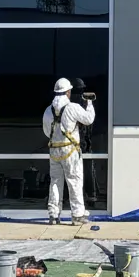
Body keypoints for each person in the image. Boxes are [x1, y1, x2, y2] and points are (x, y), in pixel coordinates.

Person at [42, 77, 95, 225]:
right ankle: (77, 215)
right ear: (68, 92)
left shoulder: (48, 110)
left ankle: (53, 215)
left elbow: (47, 131)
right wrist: (89, 103)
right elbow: (89, 119)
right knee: (74, 181)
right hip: (70, 150)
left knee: (55, 182)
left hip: (54, 150)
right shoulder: (72, 107)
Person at [70, 77, 100, 199]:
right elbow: (89, 120)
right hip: (83, 142)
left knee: (72, 172)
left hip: (76, 142)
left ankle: (75, 196)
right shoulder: (83, 102)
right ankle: (91, 194)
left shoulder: (69, 103)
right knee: (87, 170)